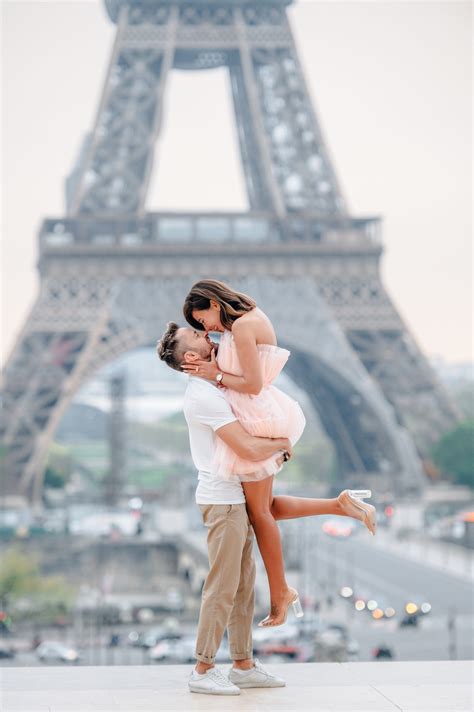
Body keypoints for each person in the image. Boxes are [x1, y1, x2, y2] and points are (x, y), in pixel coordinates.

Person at [157, 323, 376, 693]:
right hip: (222, 500)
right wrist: (282, 441)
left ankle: (242, 664)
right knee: (222, 587)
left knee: (243, 587)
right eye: (197, 337)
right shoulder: (202, 396)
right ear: (190, 357)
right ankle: (202, 668)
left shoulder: (216, 383)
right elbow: (247, 448)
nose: (206, 335)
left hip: (235, 495)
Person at [181, 279, 376, 626]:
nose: (207, 329)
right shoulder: (249, 317)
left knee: (259, 516)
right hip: (262, 413)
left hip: (255, 418)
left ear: (213, 302)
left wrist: (214, 373)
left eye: (204, 320)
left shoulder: (241, 327)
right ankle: (339, 505)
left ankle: (280, 591)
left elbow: (253, 385)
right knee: (265, 508)